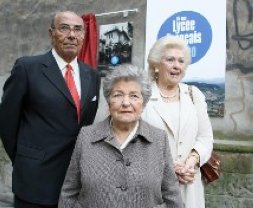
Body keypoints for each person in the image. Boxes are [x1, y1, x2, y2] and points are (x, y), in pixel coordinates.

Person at [0, 11, 100, 208]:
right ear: (51, 33)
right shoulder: (27, 68)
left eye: (78, 29)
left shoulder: (92, 75)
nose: (72, 35)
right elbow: (7, 122)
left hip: (76, 182)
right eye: (64, 28)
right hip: (35, 181)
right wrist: (25, 159)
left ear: (84, 35)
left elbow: (85, 125)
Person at [58, 64, 183, 208]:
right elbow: (69, 192)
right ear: (108, 101)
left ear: (143, 103)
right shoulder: (86, 136)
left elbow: (173, 196)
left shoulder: (159, 139)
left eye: (134, 96)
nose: (126, 103)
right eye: (118, 95)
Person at [142, 35, 213, 208]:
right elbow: (131, 142)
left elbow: (205, 138)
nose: (176, 66)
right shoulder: (141, 96)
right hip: (152, 186)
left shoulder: (193, 94)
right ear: (156, 66)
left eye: (181, 61)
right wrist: (167, 167)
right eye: (170, 60)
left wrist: (191, 162)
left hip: (189, 184)